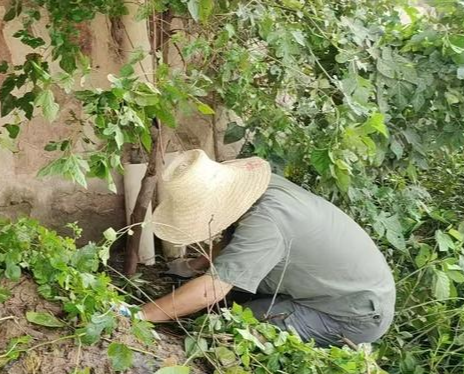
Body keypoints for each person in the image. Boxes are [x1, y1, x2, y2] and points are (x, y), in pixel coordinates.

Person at [137, 149, 395, 347]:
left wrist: (140, 316)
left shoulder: (266, 222)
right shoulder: (260, 189)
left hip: (351, 314)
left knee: (226, 327)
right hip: (344, 287)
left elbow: (210, 291)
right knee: (219, 302)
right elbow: (236, 240)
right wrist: (195, 266)